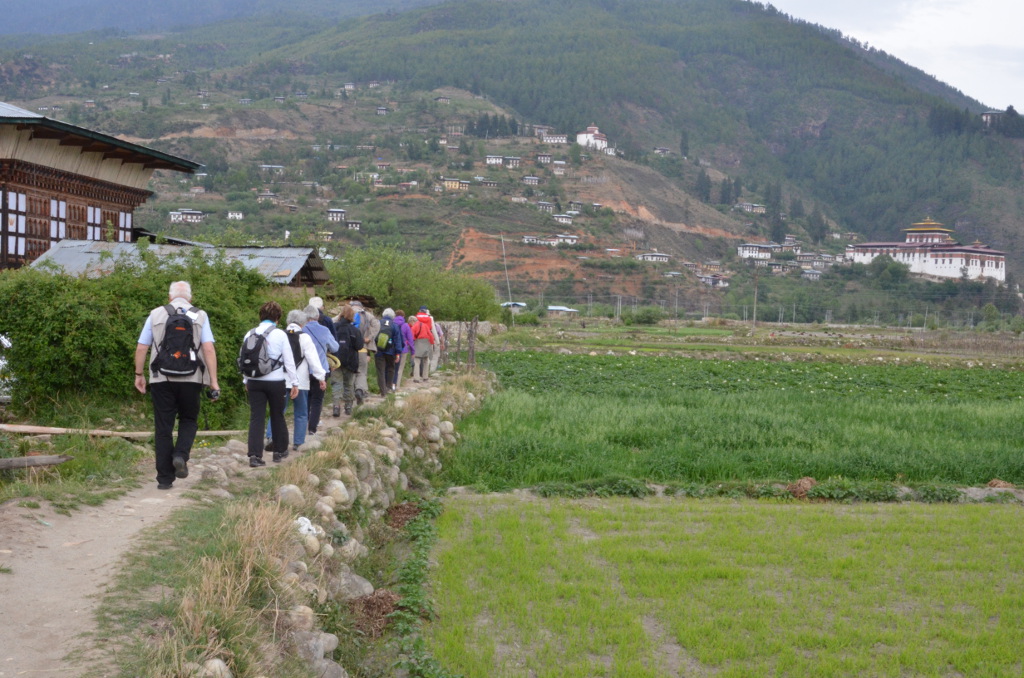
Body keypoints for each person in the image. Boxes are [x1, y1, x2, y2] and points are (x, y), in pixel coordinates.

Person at [134, 280, 220, 490]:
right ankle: (180, 455)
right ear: (190, 298)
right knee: (189, 419)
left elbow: (142, 347)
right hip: (192, 378)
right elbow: (208, 349)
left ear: (169, 297)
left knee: (163, 427)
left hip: (161, 378)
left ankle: (164, 479)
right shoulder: (201, 315)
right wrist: (213, 382)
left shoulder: (155, 314)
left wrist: (139, 374)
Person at [242, 301, 298, 466]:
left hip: (254, 381)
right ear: (277, 318)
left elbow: (244, 359)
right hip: (275, 381)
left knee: (256, 418)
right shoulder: (280, 334)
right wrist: (294, 382)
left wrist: (245, 380)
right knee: (277, 415)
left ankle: (254, 456)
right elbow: (289, 361)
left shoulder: (249, 333)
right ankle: (279, 452)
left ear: (260, 316)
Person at [265, 310, 325, 452]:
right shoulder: (305, 338)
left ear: (287, 321)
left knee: (277, 410)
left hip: (279, 380)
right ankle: (298, 442)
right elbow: (313, 360)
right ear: (303, 323)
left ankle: (271, 437)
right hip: (300, 381)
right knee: (301, 412)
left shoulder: (278, 335)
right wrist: (321, 377)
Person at [302, 303, 337, 435]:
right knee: (317, 400)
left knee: (306, 398)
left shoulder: (301, 330)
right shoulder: (325, 330)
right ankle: (312, 428)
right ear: (317, 316)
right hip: (321, 370)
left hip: (304, 370)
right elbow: (335, 347)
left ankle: (302, 425)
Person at [331, 305, 363, 416]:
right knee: (349, 385)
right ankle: (348, 407)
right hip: (351, 361)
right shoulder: (355, 330)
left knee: (336, 384)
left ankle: (336, 407)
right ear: (352, 316)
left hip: (335, 361)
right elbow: (359, 346)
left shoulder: (334, 327)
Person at [352, 301, 379, 401]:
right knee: (361, 371)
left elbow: (333, 321)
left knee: (350, 371)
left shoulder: (346, 313)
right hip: (362, 348)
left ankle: (349, 393)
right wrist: (370, 337)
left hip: (349, 350)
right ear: (361, 307)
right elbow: (377, 325)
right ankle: (360, 390)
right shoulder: (367, 315)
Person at [374, 308, 403, 395]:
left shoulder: (378, 323)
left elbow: (373, 336)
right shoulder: (395, 325)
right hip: (391, 351)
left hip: (379, 351)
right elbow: (398, 340)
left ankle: (383, 391)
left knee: (380, 371)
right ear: (393, 317)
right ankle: (389, 387)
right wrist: (398, 353)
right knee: (391, 369)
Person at [392, 309, 415, 390]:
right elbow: (410, 339)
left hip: (392, 349)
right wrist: (413, 351)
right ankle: (397, 386)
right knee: (400, 368)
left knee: (391, 368)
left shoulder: (392, 323)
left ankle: (390, 385)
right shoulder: (405, 325)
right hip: (403, 349)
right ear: (403, 316)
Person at [412, 306, 435, 382]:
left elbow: (412, 335)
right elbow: (431, 335)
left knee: (417, 360)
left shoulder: (415, 324)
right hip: (426, 342)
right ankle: (425, 377)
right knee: (425, 360)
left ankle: (416, 378)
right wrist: (431, 343)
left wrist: (412, 343)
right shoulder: (427, 323)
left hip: (418, 342)